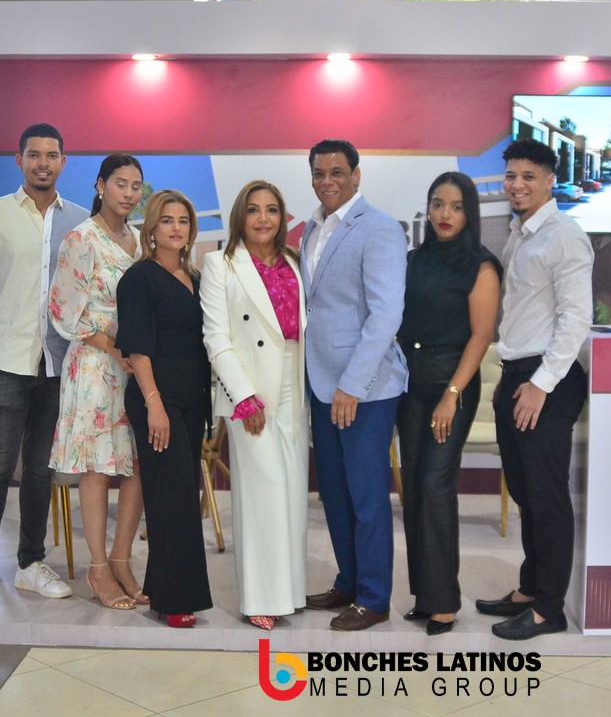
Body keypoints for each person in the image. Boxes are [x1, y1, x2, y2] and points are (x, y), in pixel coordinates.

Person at [0, 123, 87, 618]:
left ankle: (30, 562)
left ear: (63, 161)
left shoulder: (81, 222)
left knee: (40, 471)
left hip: (58, 365)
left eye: (52, 155)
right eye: (34, 155)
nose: (43, 163)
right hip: (5, 364)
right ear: (20, 160)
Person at [476, 138, 593, 641]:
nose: (517, 185)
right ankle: (531, 587)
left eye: (528, 176)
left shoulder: (564, 236)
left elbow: (576, 318)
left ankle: (549, 609)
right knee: (525, 491)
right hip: (517, 375)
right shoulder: (520, 233)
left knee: (547, 497)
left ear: (549, 181)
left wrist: (540, 384)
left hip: (548, 381)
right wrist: (512, 381)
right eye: (511, 176)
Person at [301, 138, 408, 632]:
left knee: (366, 496)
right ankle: (348, 581)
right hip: (321, 383)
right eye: (319, 173)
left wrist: (352, 385)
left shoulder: (380, 228)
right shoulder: (312, 227)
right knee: (336, 493)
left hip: (364, 389)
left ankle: (374, 597)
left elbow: (385, 315)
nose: (328, 181)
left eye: (337, 172)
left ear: (357, 175)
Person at [396, 172, 501, 637]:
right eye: (438, 204)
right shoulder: (412, 260)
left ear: (469, 212)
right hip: (410, 382)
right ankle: (425, 597)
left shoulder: (481, 265)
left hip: (451, 384)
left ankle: (444, 604)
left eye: (456, 206)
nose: (445, 214)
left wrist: (452, 395)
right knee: (414, 488)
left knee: (436, 486)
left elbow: (481, 335)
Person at [201, 180, 308, 632]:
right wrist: (244, 396)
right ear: (239, 218)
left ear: (282, 217)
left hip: (293, 381)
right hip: (250, 389)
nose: (263, 218)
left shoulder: (293, 261)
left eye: (272, 210)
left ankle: (289, 591)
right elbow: (215, 336)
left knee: (292, 491)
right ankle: (260, 598)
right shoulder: (220, 264)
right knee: (263, 490)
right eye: (253, 210)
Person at [48, 155, 148, 610]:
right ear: (100, 185)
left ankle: (122, 559)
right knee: (98, 466)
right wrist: (112, 345)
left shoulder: (140, 239)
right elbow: (62, 310)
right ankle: (98, 567)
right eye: (120, 183)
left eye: (135, 185)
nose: (128, 193)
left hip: (135, 364)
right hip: (94, 364)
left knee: (138, 462)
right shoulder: (82, 238)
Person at [116, 189, 213, 628]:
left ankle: (160, 587)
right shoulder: (139, 278)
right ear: (152, 228)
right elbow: (137, 350)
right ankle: (174, 601)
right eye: (168, 220)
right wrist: (155, 405)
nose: (177, 228)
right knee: (171, 499)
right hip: (158, 400)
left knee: (181, 496)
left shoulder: (195, 277)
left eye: (184, 220)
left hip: (192, 402)